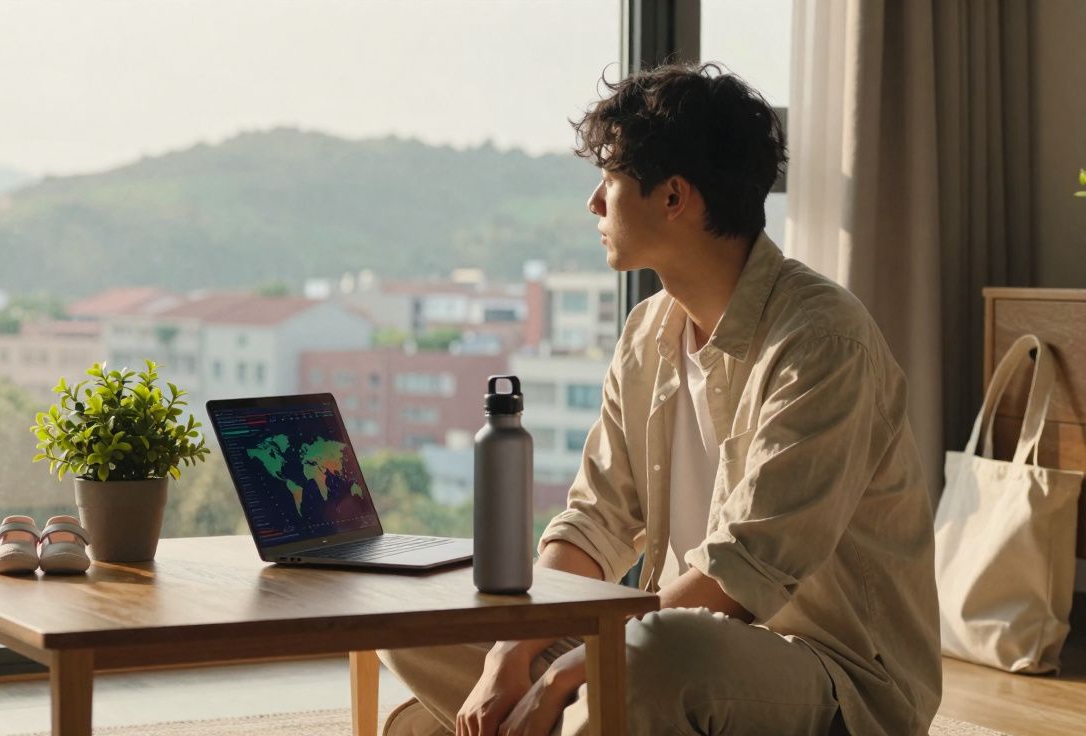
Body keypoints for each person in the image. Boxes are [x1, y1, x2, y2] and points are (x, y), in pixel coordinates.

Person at [378, 62, 941, 736]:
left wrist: (564, 673)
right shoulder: (648, 330)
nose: (594, 204)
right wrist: (512, 650)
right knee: (411, 618)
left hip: (829, 673)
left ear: (673, 197)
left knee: (649, 659)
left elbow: (742, 574)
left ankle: (570, 710)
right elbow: (596, 522)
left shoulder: (822, 340)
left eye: (610, 180)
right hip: (666, 645)